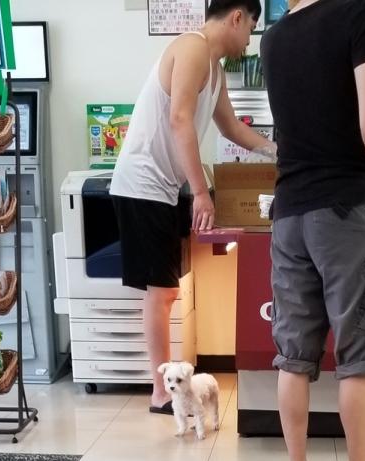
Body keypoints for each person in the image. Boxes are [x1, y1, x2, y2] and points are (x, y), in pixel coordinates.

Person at [261, 0, 365, 461]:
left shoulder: (274, 37)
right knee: (357, 354)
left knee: (294, 353)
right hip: (346, 207)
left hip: (289, 212)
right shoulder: (358, 13)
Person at [111, 0, 274, 414]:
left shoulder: (214, 68)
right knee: (163, 291)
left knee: (166, 290)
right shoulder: (193, 48)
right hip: (143, 184)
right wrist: (201, 193)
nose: (249, 39)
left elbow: (231, 128)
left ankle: (164, 386)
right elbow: (180, 119)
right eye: (251, 27)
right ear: (237, 17)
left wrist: (277, 151)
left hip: (163, 188)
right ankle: (160, 392)